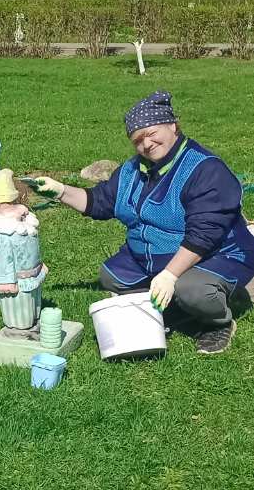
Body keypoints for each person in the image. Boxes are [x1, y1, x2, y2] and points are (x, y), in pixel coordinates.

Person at [34, 90, 254, 355]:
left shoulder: (205, 170)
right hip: (154, 256)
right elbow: (100, 201)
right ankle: (176, 306)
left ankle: (217, 322)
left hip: (216, 254)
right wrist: (60, 191)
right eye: (138, 140)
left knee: (192, 290)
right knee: (111, 277)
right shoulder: (132, 169)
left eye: (152, 133)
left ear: (173, 126)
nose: (146, 144)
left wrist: (170, 275)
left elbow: (204, 236)